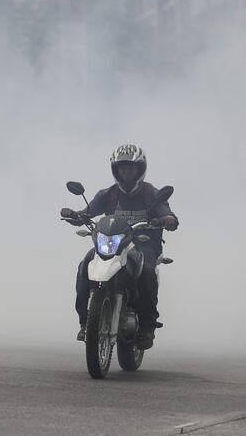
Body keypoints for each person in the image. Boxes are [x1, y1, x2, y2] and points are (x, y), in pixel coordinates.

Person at [60, 144, 179, 350]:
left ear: (140, 170)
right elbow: (88, 212)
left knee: (148, 270)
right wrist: (75, 215)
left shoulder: (151, 193)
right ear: (116, 170)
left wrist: (168, 219)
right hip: (113, 243)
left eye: (131, 168)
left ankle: (147, 327)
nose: (126, 172)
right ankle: (84, 321)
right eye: (122, 168)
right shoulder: (108, 194)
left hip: (144, 244)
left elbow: (164, 210)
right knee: (85, 264)